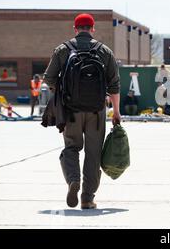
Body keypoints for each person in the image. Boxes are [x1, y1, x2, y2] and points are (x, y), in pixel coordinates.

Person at [44, 13, 121, 209]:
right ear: (93, 29)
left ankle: (72, 180)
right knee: (93, 154)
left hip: (71, 111)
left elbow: (49, 79)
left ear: (75, 29)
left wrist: (63, 92)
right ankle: (87, 198)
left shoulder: (63, 50)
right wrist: (116, 113)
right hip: (96, 111)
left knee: (71, 148)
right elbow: (114, 86)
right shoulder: (104, 51)